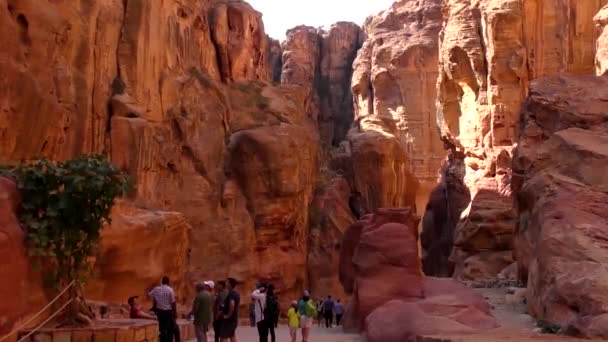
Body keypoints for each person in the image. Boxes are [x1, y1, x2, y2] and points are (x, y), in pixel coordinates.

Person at [149, 276, 177, 342]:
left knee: (162, 328)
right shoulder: (170, 290)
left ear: (162, 281)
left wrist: (156, 300)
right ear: (168, 282)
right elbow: (173, 302)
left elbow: (150, 294)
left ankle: (162, 340)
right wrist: (175, 313)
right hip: (168, 311)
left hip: (160, 312)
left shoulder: (156, 289)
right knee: (169, 329)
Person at [218, 278, 240, 342]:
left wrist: (228, 315)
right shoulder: (236, 293)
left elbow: (232, 304)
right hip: (233, 319)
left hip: (228, 320)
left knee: (223, 337)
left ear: (230, 284)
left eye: (227, 282)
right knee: (232, 335)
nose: (226, 284)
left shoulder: (232, 294)